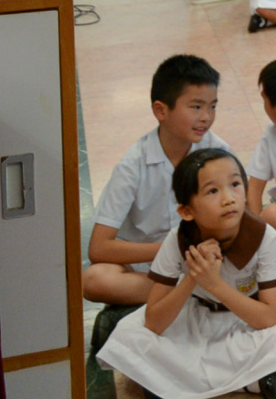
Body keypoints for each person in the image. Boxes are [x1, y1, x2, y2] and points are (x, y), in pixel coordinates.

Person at [94, 148, 276, 399]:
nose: (229, 199)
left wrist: (214, 284)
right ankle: (253, 381)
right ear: (187, 211)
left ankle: (169, 381)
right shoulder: (176, 240)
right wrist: (194, 276)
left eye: (235, 184)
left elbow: (267, 318)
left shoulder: (264, 236)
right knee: (131, 334)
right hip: (198, 313)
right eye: (212, 191)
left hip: (247, 315)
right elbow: (155, 321)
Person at [85, 56, 227, 310]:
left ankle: (188, 290)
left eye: (212, 106)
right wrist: (172, 249)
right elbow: (98, 248)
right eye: (196, 107)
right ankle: (191, 291)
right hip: (147, 270)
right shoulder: (133, 165)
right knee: (94, 279)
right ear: (161, 110)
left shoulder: (219, 153)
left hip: (204, 260)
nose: (206, 117)